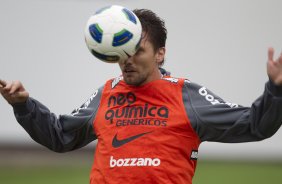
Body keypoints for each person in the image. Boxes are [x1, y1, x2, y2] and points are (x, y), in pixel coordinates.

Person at [1, 8, 282, 184]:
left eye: (137, 50)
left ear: (160, 53)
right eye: (121, 50)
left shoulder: (186, 95)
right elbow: (59, 135)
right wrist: (24, 105)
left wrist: (276, 89)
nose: (127, 59)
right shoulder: (106, 93)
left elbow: (255, 125)